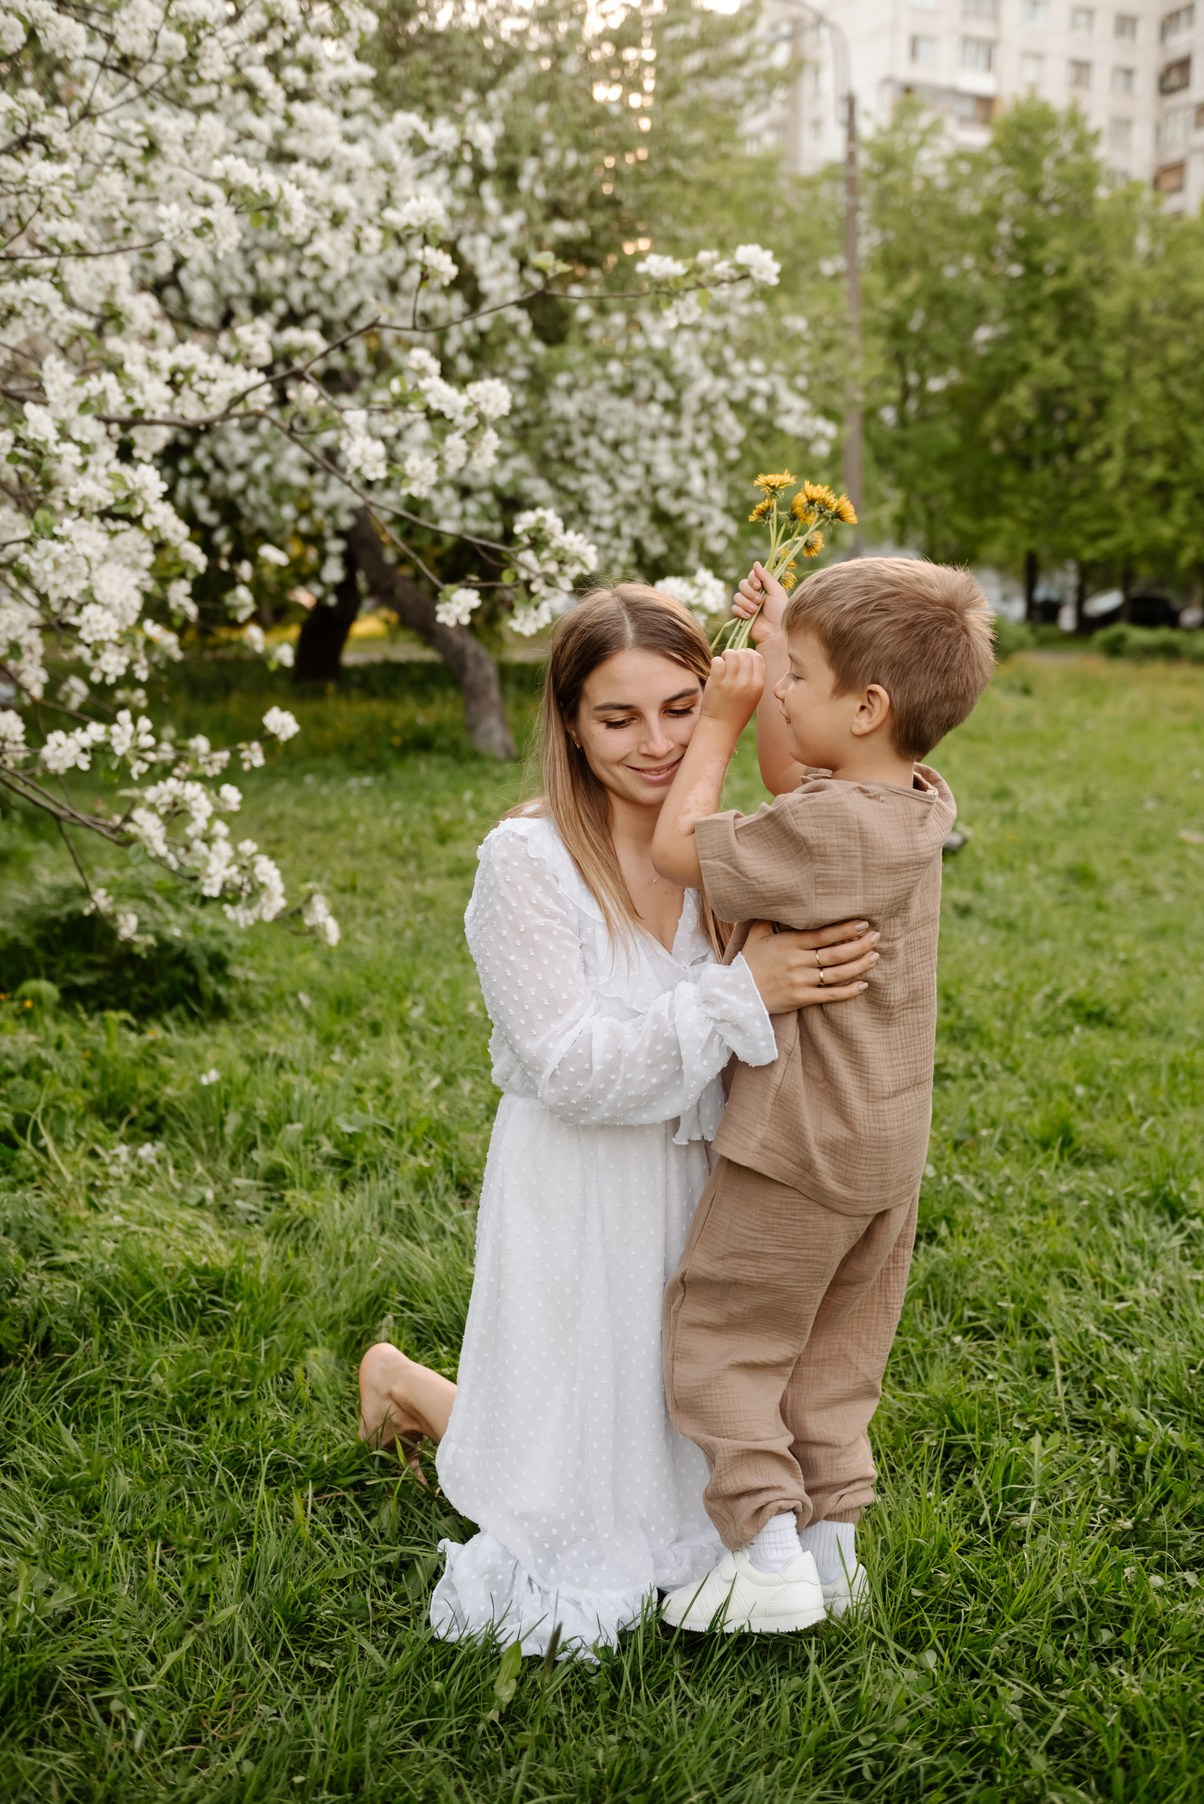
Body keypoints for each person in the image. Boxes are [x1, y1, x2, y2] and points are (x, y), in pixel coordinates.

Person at [357, 584, 879, 1657]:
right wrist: (746, 993)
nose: (653, 744)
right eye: (617, 717)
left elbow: (839, 778)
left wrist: (781, 640)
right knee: (578, 1498)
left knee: (692, 1463)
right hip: (583, 1187)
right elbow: (571, 1069)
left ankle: (417, 1388)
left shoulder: (732, 847)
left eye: (682, 708)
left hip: (713, 1182)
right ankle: (402, 1380)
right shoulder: (527, 862)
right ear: (566, 721)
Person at [650, 556, 995, 1635]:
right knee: (840, 1351)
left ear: (867, 705)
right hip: (883, 1151)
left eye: (794, 675)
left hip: (797, 1143)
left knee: (726, 1334)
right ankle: (836, 1547)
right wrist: (790, 624)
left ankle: (762, 1552)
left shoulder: (824, 834)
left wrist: (717, 718)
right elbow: (799, 768)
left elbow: (677, 850)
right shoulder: (910, 805)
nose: (777, 691)